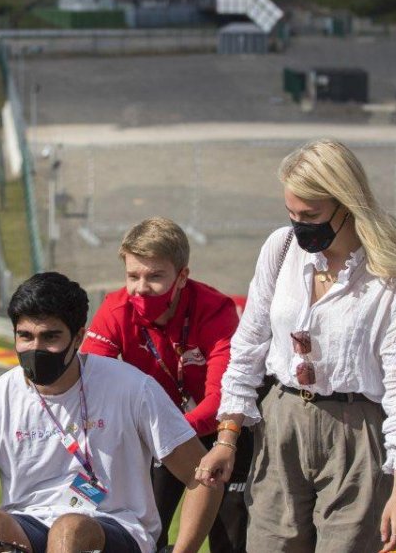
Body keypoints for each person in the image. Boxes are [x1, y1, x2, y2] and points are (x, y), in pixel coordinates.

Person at [200, 139, 396, 553]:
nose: (299, 225)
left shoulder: (390, 278)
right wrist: (227, 436)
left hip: (357, 430)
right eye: (292, 214)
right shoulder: (280, 248)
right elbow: (249, 344)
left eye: (311, 215)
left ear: (346, 205)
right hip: (281, 418)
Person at [0, 272, 222, 553]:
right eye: (25, 336)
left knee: (69, 530)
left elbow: (203, 475)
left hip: (119, 526)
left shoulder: (132, 388)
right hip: (30, 524)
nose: (35, 349)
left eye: (50, 337)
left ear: (78, 338)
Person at [80, 217, 247, 551]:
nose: (141, 288)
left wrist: (170, 433)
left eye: (155, 276)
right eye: (133, 276)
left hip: (216, 427)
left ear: (182, 276)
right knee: (145, 534)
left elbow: (223, 396)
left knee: (229, 536)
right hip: (159, 434)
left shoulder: (216, 309)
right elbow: (89, 385)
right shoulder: (114, 309)